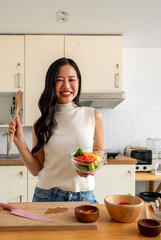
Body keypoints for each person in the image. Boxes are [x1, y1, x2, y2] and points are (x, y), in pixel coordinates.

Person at [8, 58, 105, 203]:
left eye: (72, 79)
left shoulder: (93, 115)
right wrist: (20, 142)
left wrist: (89, 166)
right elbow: (36, 169)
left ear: (78, 82)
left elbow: (99, 150)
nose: (66, 86)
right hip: (47, 197)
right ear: (51, 84)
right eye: (59, 80)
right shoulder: (40, 124)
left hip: (84, 197)